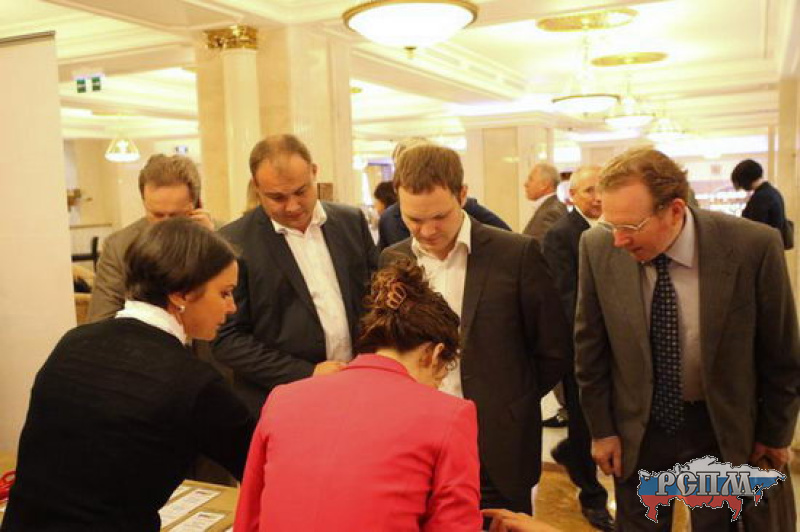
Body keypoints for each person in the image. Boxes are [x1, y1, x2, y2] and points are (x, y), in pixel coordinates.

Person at [575, 147, 799, 530]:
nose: (618, 240)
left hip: (719, 427)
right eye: (611, 225)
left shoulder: (752, 246)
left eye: (631, 227)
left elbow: (781, 353)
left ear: (675, 211)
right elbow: (590, 348)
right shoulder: (596, 247)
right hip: (638, 429)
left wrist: (775, 433)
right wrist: (602, 430)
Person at [2, 218, 255, 531]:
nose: (232, 307)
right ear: (181, 294)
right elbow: (261, 468)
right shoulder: (193, 382)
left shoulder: (73, 342)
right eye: (225, 293)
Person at [379, 144, 572, 518]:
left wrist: (512, 397)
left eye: (440, 216)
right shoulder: (393, 259)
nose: (427, 231)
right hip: (418, 442)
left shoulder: (516, 254)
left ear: (462, 195)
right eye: (413, 219)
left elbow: (553, 348)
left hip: (497, 442)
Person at [233, 260, 481, 531]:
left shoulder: (283, 398)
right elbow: (454, 525)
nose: (437, 386)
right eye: (441, 375)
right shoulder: (449, 415)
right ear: (433, 354)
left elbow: (249, 514)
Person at [212, 134, 378, 414]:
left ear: (314, 172)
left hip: (358, 388)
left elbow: (376, 299)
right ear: (256, 187)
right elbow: (227, 339)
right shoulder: (232, 243)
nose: (292, 206)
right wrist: (307, 373)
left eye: (301, 191)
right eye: (277, 197)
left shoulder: (351, 222)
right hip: (283, 400)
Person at [541, 166, 613, 531]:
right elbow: (565, 299)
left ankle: (570, 453)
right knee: (586, 425)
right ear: (572, 196)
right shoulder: (561, 235)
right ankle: (592, 497)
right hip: (583, 350)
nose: (597, 198)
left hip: (619, 347)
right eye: (588, 191)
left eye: (602, 189)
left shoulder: (618, 227)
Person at [87, 154, 214, 322]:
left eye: (175, 215)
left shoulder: (219, 238)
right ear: (144, 203)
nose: (165, 224)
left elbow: (234, 314)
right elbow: (102, 322)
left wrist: (209, 248)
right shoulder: (119, 247)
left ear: (196, 205)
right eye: (157, 215)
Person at [378, 137, 510, 249]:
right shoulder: (389, 219)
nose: (427, 232)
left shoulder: (466, 206)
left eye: (440, 217)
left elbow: (505, 241)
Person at [731, 158, 791, 246]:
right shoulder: (772, 192)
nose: (742, 188)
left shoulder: (761, 198)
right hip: (773, 247)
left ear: (745, 180)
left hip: (763, 249)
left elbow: (755, 230)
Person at [522, 162, 567, 243]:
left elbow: (542, 248)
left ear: (544, 185)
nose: (525, 184)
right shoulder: (552, 206)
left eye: (531, 179)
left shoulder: (550, 212)